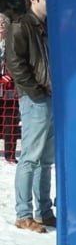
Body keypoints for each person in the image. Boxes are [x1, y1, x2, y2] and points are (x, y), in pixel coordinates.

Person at [5, 0, 55, 233]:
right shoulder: (21, 25)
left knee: (46, 159)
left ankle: (44, 211)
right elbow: (14, 61)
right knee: (31, 157)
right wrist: (34, 92)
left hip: (52, 97)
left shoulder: (49, 26)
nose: (51, 0)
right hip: (36, 98)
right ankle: (23, 213)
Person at [0, 12, 20, 164]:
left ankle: (10, 155)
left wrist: (10, 75)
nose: (1, 25)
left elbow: (19, 63)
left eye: (3, 23)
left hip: (9, 90)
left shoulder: (13, 44)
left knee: (10, 121)